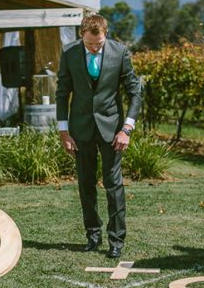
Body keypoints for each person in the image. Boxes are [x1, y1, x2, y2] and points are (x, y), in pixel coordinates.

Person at [56, 14, 142, 258]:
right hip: (80, 129)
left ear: (106, 34)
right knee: (85, 183)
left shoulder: (120, 51)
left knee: (113, 184)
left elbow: (135, 93)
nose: (95, 48)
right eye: (90, 44)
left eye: (99, 44)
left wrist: (127, 129)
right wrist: (64, 131)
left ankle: (116, 239)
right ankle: (92, 234)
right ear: (82, 34)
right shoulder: (69, 52)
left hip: (112, 129)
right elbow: (62, 93)